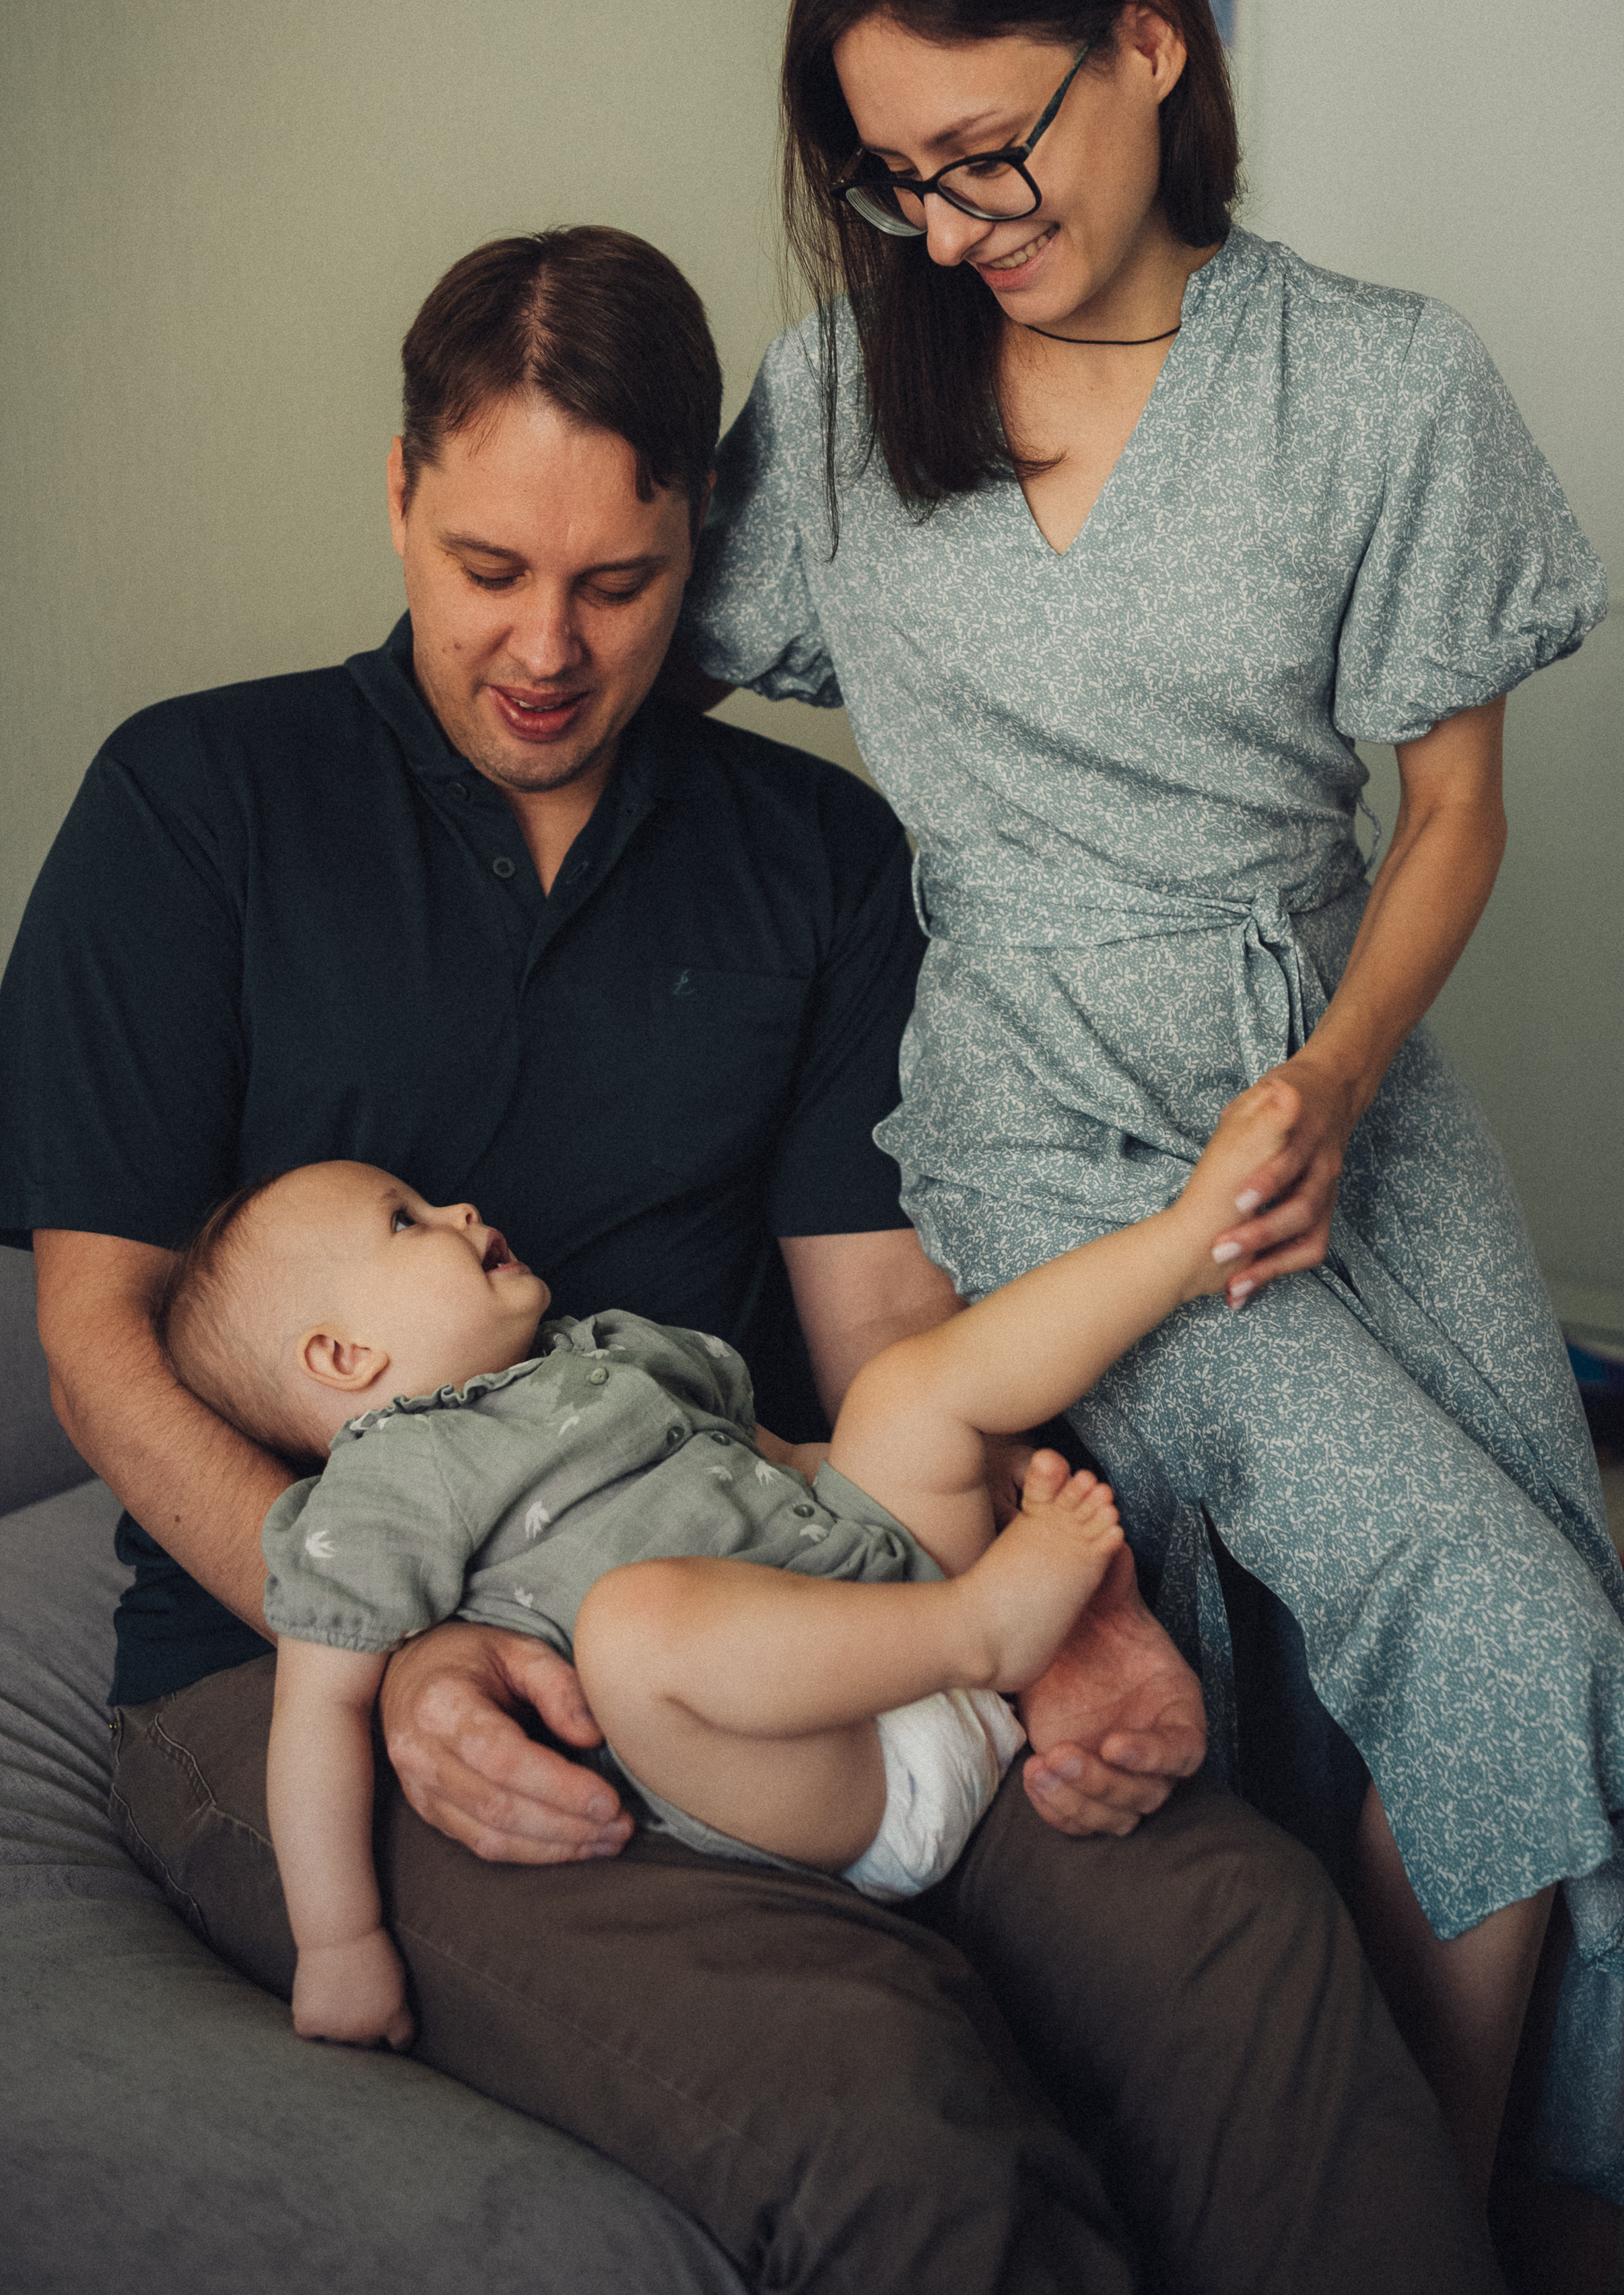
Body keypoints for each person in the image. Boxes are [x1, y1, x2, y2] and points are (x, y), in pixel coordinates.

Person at [0, 224, 1503, 2294]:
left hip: (787, 1599)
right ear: (397, 501)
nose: (547, 648)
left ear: (702, 541)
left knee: (1245, 1939)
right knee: (874, 2099)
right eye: (485, 573)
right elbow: (95, 1344)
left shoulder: (812, 861)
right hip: (301, 1678)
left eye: (618, 586)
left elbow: (886, 1331)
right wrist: (394, 1652)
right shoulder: (197, 805)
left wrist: (1051, 1615)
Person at [677, 0, 1624, 2290]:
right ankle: (1392, 2234)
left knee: (1488, 1590)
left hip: (1313, 1087)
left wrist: (1341, 1079)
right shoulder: (833, 413)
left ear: (1152, 34)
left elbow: (1452, 810)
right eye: (896, 173)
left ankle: (1388, 2197)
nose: (948, 224)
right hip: (1043, 1129)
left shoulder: (1373, 385)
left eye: (990, 152)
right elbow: (648, 673)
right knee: (1496, 1623)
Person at [164, 1099, 1291, 2047]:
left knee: (903, 1392)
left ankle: (1186, 1244)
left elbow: (781, 1464)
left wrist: (918, 1467)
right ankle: (983, 1630)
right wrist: (340, 1942)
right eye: (405, 1221)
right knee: (633, 1627)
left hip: (873, 1612)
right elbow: (317, 1713)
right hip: (816, 1773)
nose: (457, 1208)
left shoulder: (601, 1350)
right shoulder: (378, 1488)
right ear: (342, 1358)